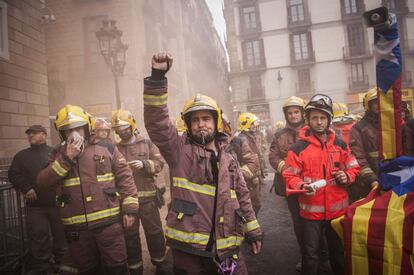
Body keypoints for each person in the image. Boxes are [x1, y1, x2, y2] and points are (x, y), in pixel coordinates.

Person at [143, 52, 263, 274]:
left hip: (228, 246)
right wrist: (157, 77)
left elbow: (243, 196)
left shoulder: (228, 157)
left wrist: (253, 231)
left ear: (216, 122)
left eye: (206, 119)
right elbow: (157, 123)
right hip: (190, 250)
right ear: (189, 126)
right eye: (195, 120)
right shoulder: (178, 151)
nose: (200, 125)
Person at [36, 104, 139, 275]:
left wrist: (130, 209)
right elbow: (42, 182)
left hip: (109, 225)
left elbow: (125, 178)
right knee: (87, 269)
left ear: (87, 127)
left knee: (116, 268)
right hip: (77, 231)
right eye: (68, 130)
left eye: (78, 129)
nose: (74, 134)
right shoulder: (57, 154)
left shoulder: (107, 148)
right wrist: (67, 158)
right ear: (62, 133)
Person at [283, 94, 360, 275]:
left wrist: (346, 176)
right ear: (308, 120)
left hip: (337, 213)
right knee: (310, 255)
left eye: (323, 118)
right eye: (314, 118)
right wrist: (302, 186)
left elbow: (354, 168)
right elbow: (289, 176)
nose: (319, 122)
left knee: (338, 253)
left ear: (329, 120)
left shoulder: (341, 145)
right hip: (310, 214)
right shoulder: (297, 149)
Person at [112, 109, 169, 275]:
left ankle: (160, 264)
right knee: (130, 238)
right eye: (118, 130)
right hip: (126, 202)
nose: (122, 132)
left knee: (155, 233)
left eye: (124, 129)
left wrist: (144, 164)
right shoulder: (114, 149)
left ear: (132, 125)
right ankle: (135, 269)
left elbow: (159, 163)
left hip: (148, 200)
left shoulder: (147, 143)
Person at [8, 125, 67, 274]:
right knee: (39, 238)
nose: (31, 136)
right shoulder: (21, 156)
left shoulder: (54, 153)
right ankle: (43, 269)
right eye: (29, 134)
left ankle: (63, 265)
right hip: (36, 207)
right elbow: (13, 174)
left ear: (44, 135)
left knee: (61, 236)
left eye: (34, 133)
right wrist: (26, 188)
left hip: (57, 204)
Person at [268, 96, 308, 271]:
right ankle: (306, 256)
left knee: (317, 223)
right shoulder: (279, 135)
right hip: (292, 187)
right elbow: (273, 157)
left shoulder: (311, 130)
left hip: (312, 186)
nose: (293, 116)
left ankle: (321, 255)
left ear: (302, 113)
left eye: (296, 112)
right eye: (290, 113)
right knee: (299, 223)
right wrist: (286, 168)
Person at [349, 87, 380, 202]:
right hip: (369, 184)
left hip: (394, 179)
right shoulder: (359, 129)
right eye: (376, 102)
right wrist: (372, 180)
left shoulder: (392, 126)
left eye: (382, 101)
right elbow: (358, 158)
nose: (380, 105)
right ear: (369, 105)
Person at [234, 112, 264, 215]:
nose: (255, 126)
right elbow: (247, 159)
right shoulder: (242, 139)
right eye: (252, 124)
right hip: (249, 178)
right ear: (245, 124)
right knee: (253, 204)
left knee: (255, 204)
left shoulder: (250, 136)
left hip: (254, 177)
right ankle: (249, 228)